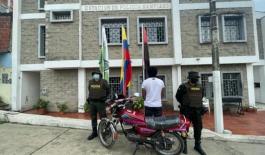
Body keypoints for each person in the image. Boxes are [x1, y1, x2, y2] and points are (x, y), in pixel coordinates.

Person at [175, 71, 207, 155]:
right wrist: (185, 103)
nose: (196, 79)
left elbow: (201, 96)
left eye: (197, 78)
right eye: (194, 78)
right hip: (187, 111)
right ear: (190, 79)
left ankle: (197, 145)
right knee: (184, 128)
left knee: (198, 128)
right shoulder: (183, 86)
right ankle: (184, 144)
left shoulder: (200, 87)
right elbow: (178, 96)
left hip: (197, 111)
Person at [87, 71, 110, 140]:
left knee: (103, 118)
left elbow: (108, 90)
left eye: (97, 74)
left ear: (100, 75)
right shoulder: (90, 82)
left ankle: (104, 133)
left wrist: (105, 98)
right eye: (94, 74)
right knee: (93, 118)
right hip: (92, 102)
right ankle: (94, 133)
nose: (95, 75)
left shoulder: (104, 81)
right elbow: (89, 90)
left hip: (100, 103)